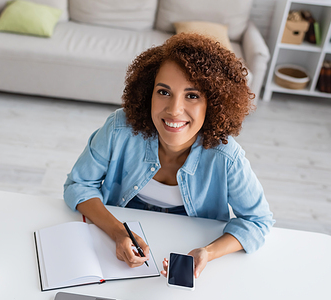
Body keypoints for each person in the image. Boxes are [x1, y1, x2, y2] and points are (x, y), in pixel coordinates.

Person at [64, 33, 274, 279]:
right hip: (115, 248)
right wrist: (119, 233)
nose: (174, 110)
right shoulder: (119, 129)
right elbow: (79, 185)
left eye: (192, 95)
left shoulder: (226, 157)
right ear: (148, 93)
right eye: (164, 92)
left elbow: (257, 221)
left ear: (214, 103)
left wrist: (208, 252)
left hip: (188, 247)